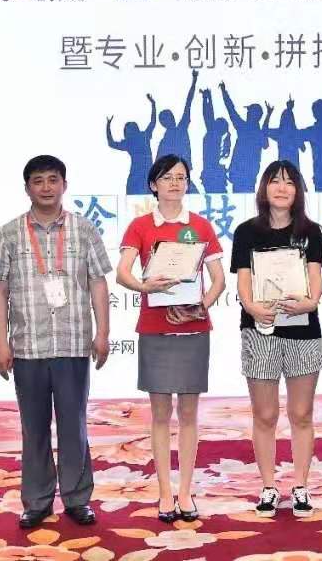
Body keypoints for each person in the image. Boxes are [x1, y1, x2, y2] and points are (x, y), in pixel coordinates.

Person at [0, 155, 113, 528]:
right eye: (38, 181)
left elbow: (98, 283)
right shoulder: (9, 233)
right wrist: (1, 343)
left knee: (74, 425)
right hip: (28, 346)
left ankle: (77, 498)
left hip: (72, 343)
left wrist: (102, 333)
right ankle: (38, 501)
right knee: (34, 428)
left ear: (64, 185)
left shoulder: (84, 230)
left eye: (53, 179)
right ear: (27, 188)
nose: (46, 187)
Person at [116, 155, 226, 523]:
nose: (175, 183)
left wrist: (200, 307)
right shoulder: (140, 226)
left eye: (181, 177)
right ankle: (165, 492)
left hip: (193, 329)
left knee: (189, 414)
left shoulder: (201, 226)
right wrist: (144, 286)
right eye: (167, 178)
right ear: (153, 185)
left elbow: (218, 280)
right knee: (161, 414)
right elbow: (122, 273)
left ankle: (185, 491)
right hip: (155, 327)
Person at [230, 160, 322, 518]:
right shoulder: (246, 231)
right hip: (260, 330)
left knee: (301, 413)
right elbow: (243, 281)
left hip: (303, 332)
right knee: (265, 414)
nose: (282, 188)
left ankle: (300, 486)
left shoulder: (311, 231)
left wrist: (310, 302)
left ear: (298, 191)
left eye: (289, 182)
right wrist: (253, 307)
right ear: (264, 188)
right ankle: (269, 486)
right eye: (275, 181)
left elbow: (315, 280)